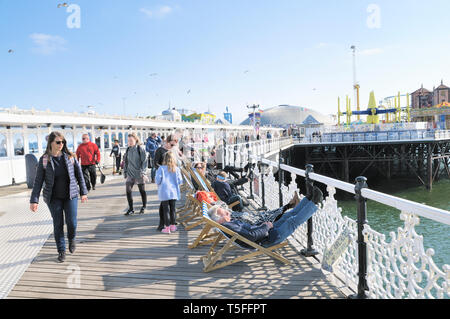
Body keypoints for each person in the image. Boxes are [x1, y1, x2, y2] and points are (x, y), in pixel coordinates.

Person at [30, 131, 88, 263]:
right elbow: (38, 181)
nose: (61, 144)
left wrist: (83, 192)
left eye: (63, 142)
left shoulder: (70, 157)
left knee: (72, 222)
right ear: (51, 143)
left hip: (71, 195)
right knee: (58, 224)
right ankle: (61, 250)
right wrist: (34, 200)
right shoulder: (44, 160)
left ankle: (72, 239)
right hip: (53, 198)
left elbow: (80, 176)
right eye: (58, 142)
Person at [208, 187, 323, 248]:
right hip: (267, 239)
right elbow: (251, 236)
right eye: (225, 213)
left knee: (287, 216)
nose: (228, 213)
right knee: (291, 222)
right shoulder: (229, 226)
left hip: (266, 232)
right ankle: (314, 202)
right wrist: (266, 227)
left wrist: (263, 226)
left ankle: (308, 199)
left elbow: (250, 231)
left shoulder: (228, 224)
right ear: (219, 219)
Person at [155, 152, 184, 233]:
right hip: (173, 191)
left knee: (166, 210)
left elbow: (158, 180)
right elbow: (180, 181)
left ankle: (167, 228)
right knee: (173, 210)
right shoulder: (177, 169)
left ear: (164, 159)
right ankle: (173, 226)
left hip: (164, 192)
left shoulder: (161, 169)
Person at [123, 133, 148, 216]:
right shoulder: (127, 149)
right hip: (130, 173)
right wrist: (125, 172)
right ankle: (131, 209)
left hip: (139, 173)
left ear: (135, 140)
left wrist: (143, 172)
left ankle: (144, 206)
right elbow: (125, 162)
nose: (129, 142)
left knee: (142, 191)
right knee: (128, 191)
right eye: (128, 141)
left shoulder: (140, 149)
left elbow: (144, 162)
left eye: (131, 140)